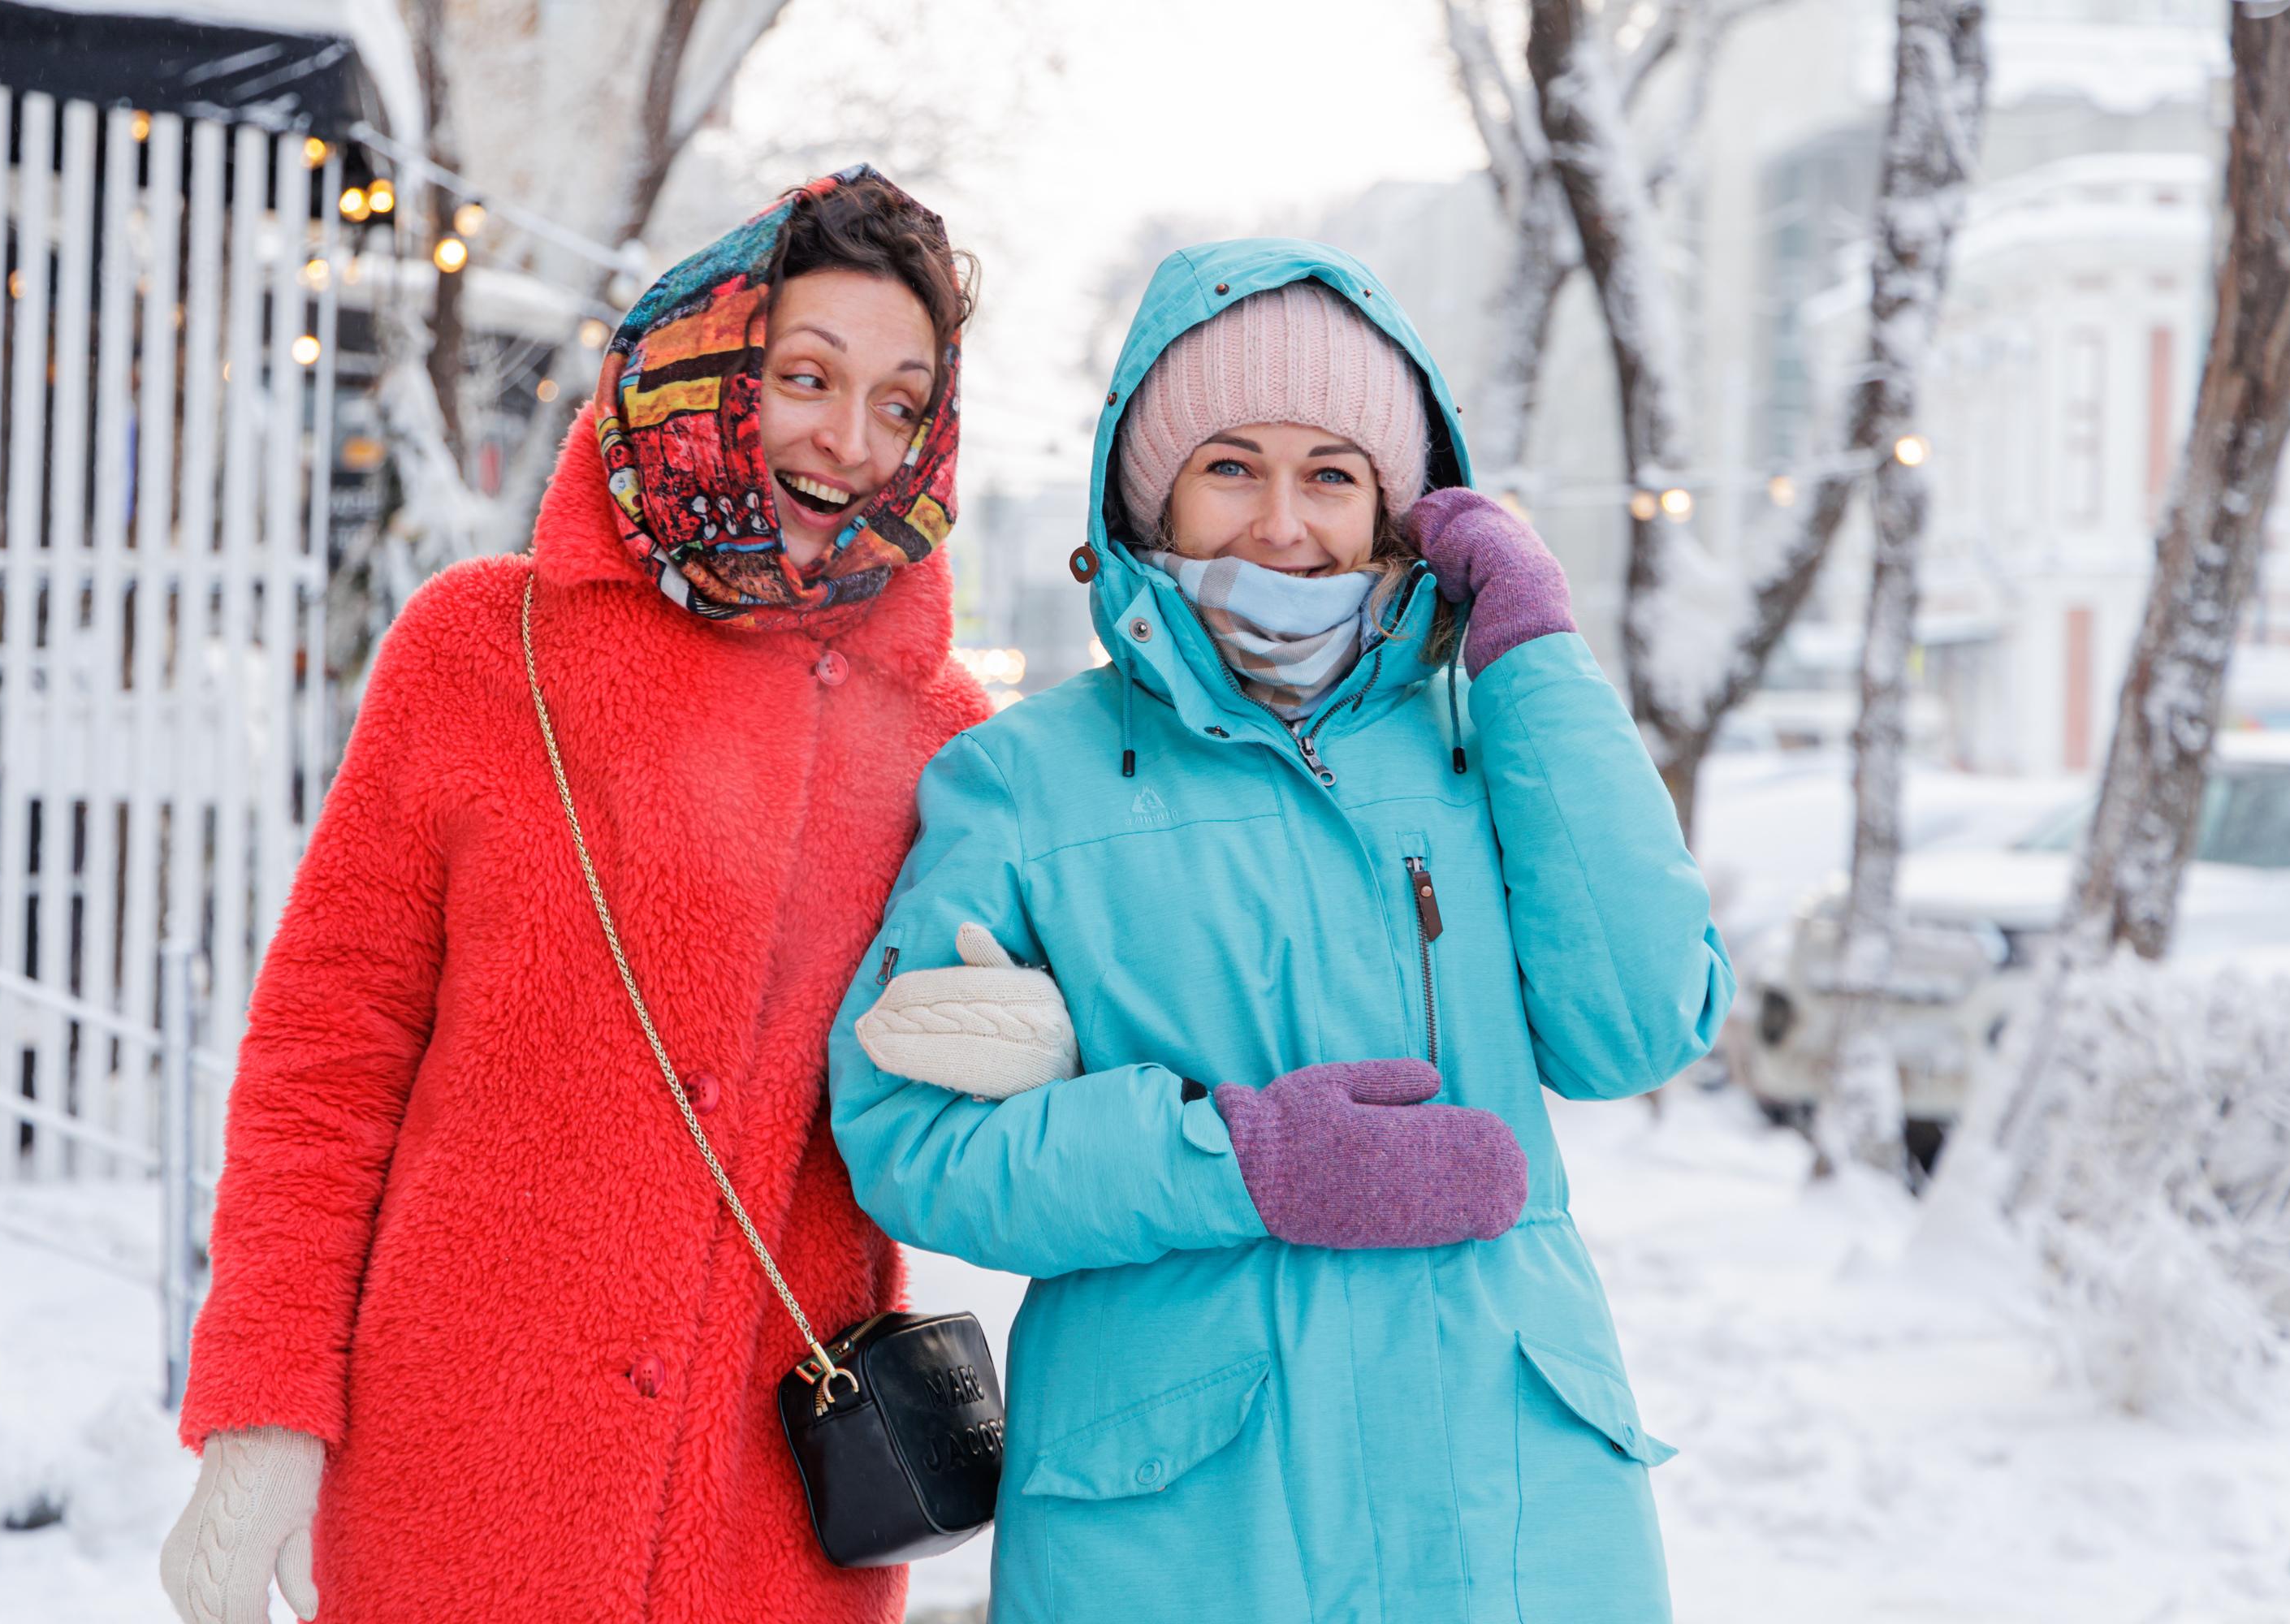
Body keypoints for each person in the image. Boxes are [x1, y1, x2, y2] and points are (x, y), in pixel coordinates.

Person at [830, 241, 1733, 1622]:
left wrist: (1536, 658)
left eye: (1332, 473)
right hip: (1184, 1529)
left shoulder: (1483, 745)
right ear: (1155, 497)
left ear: (1390, 509)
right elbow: (911, 1139)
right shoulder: (1024, 783)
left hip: (1512, 1511)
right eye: (1231, 466)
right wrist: (1233, 1163)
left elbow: (1641, 1023)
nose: (1283, 525)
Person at [159, 168, 989, 1624]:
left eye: (901, 402)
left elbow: (974, 1127)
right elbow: (327, 1059)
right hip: (461, 1479)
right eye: (808, 375)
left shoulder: (947, 740)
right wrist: (265, 1412)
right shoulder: (485, 650)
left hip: (770, 1513)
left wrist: (1019, 1053)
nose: (852, 442)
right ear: (708, 367)